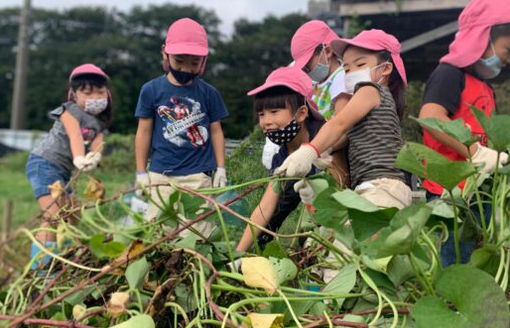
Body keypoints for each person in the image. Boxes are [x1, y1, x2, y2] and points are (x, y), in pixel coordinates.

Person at [418, 0, 510, 265]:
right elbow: (430, 117)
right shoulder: (449, 74)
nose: (507, 58)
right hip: (451, 190)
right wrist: (477, 153)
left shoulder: (483, 86)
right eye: (508, 48)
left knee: (477, 254)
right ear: (484, 37)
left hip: (479, 190)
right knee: (455, 256)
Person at [277, 29, 412, 210]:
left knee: (348, 238)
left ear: (386, 68)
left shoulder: (370, 90)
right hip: (373, 187)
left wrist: (310, 151)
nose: (351, 73)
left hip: (383, 187)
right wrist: (325, 151)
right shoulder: (378, 100)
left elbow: (339, 123)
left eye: (360, 65)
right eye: (347, 68)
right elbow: (346, 135)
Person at [134, 18, 229, 237]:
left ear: (203, 61)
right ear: (165, 53)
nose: (186, 68)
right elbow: (144, 131)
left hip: (198, 176)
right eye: (179, 61)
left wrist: (221, 167)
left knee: (196, 235)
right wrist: (141, 171)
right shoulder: (151, 90)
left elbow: (216, 131)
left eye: (194, 63)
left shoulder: (209, 93)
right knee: (159, 235)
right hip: (161, 176)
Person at [236, 66, 334, 252]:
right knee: (272, 218)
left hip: (338, 213)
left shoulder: (325, 135)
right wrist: (238, 252)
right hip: (311, 207)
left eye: (274, 112)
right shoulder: (281, 158)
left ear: (302, 113)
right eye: (261, 114)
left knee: (314, 242)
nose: (266, 121)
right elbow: (265, 207)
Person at [26, 63, 112, 268]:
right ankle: (41, 270)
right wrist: (79, 158)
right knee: (53, 216)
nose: (94, 97)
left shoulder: (98, 123)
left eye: (99, 91)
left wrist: (95, 157)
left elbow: (98, 143)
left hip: (63, 173)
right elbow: (74, 135)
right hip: (44, 164)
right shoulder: (69, 110)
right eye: (87, 92)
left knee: (74, 214)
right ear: (73, 94)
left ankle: (74, 257)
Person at [262, 20, 349, 185]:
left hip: (333, 147)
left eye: (307, 63)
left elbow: (343, 127)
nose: (305, 69)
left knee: (333, 167)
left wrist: (318, 150)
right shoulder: (314, 83)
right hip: (315, 146)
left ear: (327, 51)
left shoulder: (340, 78)